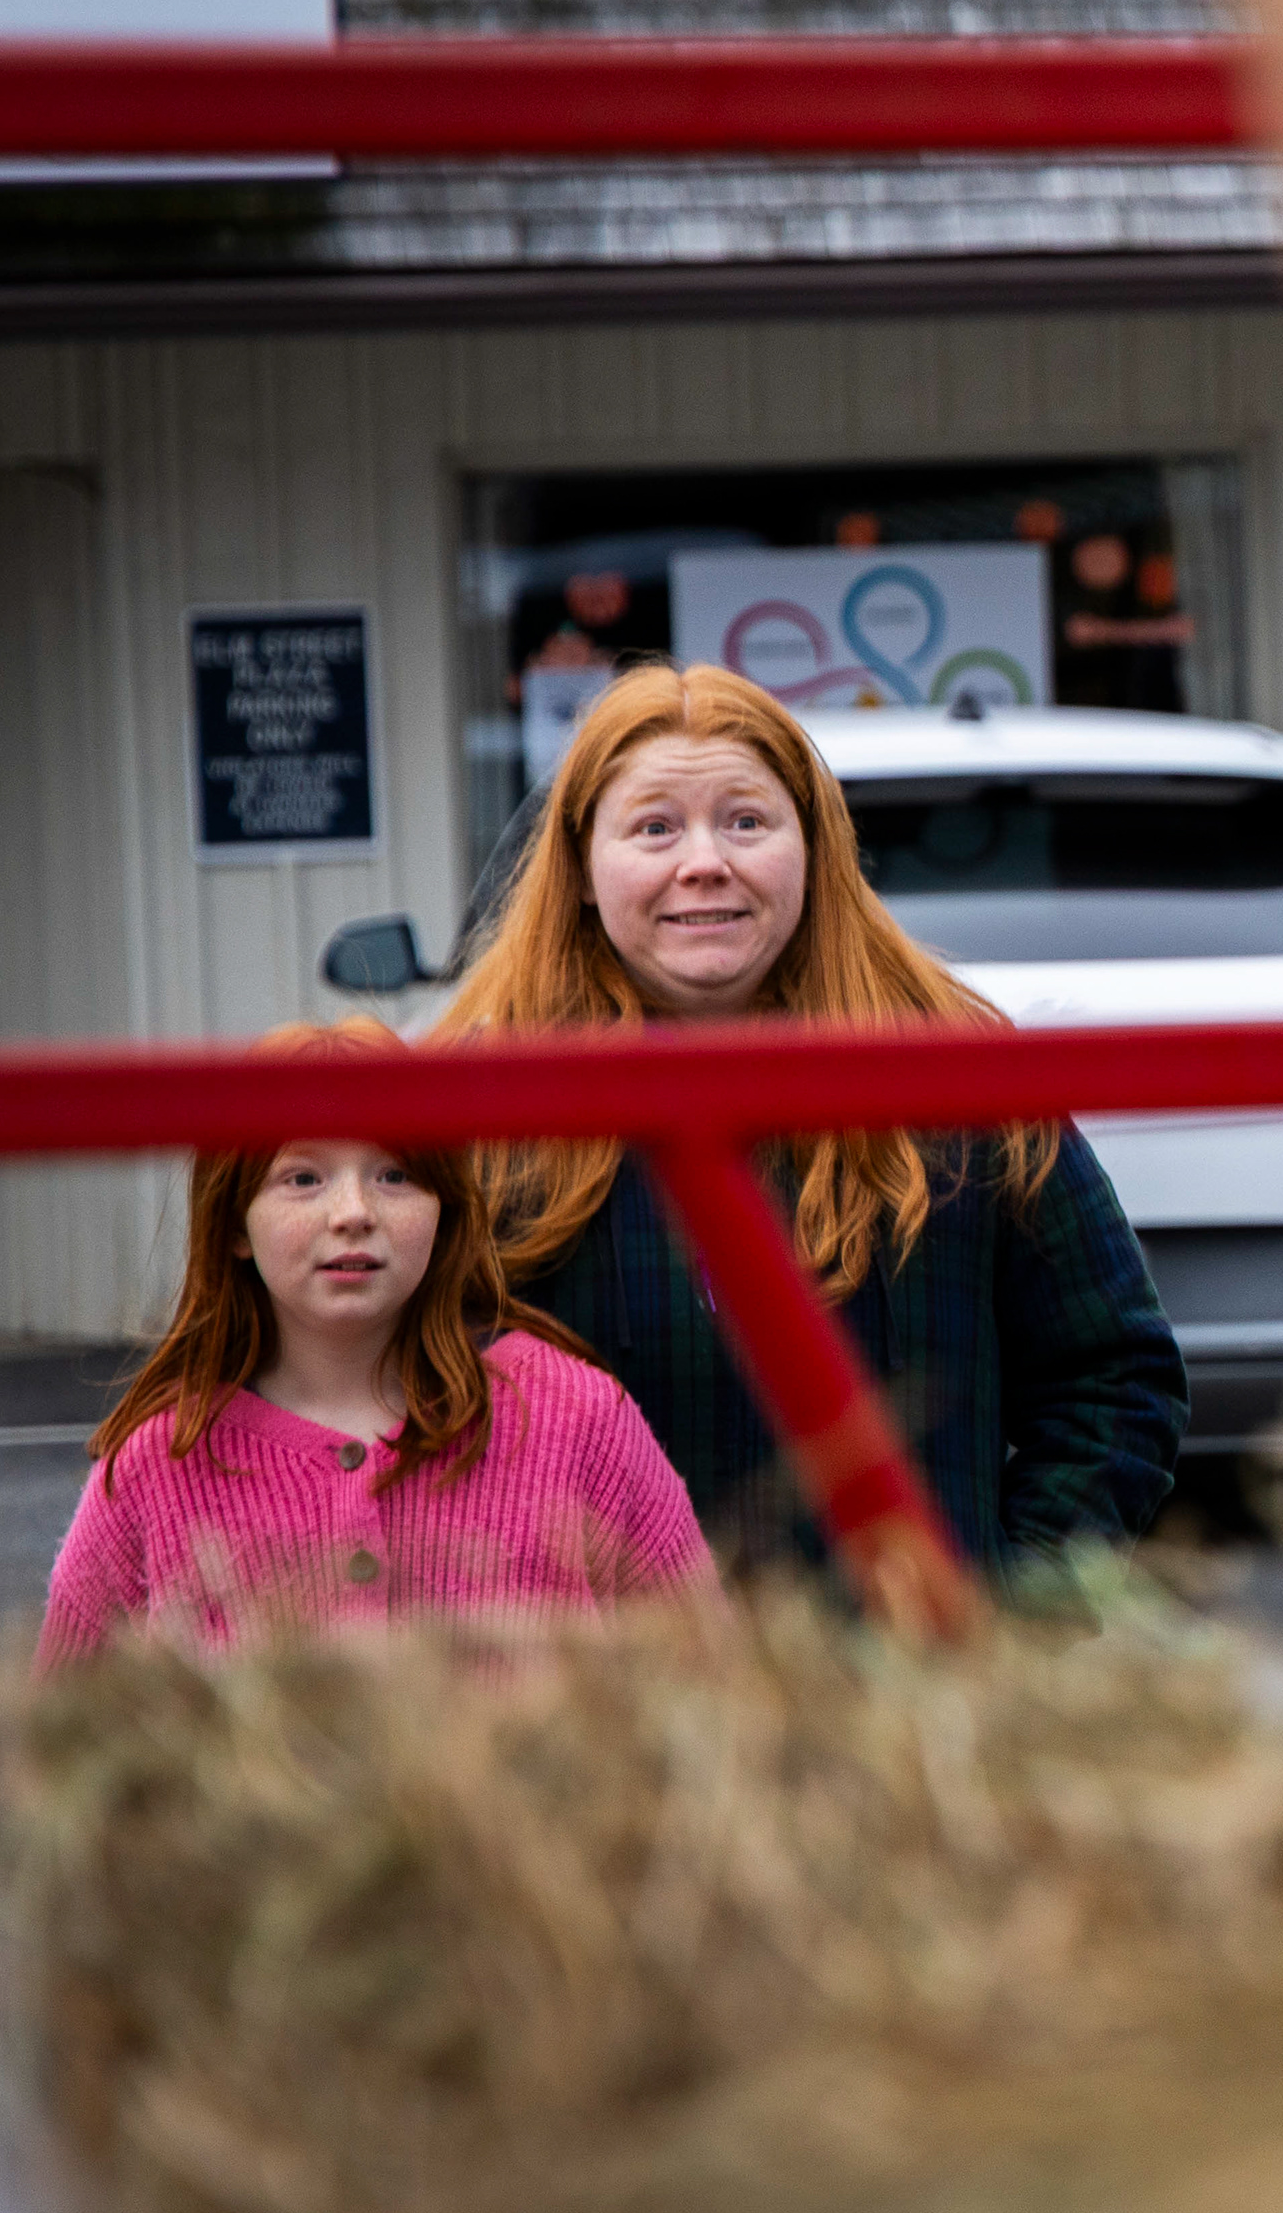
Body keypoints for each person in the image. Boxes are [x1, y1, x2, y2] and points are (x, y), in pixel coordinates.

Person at [431, 663, 1185, 1583]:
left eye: (746, 821)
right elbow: (389, 1397)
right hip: (603, 1699)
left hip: (905, 1697)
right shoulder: (474, 1114)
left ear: (814, 849)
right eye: (655, 827)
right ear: (583, 869)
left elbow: (1113, 1378)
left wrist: (1012, 1614)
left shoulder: (963, 1082)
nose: (704, 861)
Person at [42, 1025, 718, 1668]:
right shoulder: (156, 1467)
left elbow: (710, 1677)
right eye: (302, 1178)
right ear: (234, 1226)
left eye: (394, 1175)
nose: (354, 1212)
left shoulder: (578, 1419)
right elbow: (59, 1750)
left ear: (444, 1210)